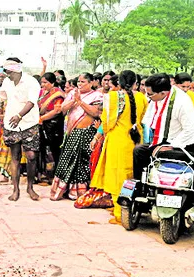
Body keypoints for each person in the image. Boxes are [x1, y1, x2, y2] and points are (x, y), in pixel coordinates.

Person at [90, 70, 148, 223]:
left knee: (116, 175)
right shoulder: (142, 97)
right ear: (136, 83)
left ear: (118, 83)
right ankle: (125, 206)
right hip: (135, 139)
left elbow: (107, 122)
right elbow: (143, 118)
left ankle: (119, 212)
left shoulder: (112, 97)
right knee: (131, 173)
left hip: (117, 140)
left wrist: (99, 135)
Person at [0, 58, 41, 201]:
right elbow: (0, 97)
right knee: (15, 157)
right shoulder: (7, 82)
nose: (6, 74)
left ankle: (30, 187)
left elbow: (32, 102)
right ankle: (16, 189)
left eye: (7, 72)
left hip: (29, 123)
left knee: (31, 156)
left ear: (15, 70)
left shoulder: (31, 82)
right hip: (11, 124)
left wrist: (20, 115)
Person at [133, 74, 194, 176]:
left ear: (162, 93)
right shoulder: (159, 98)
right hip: (162, 141)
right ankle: (140, 186)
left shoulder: (182, 102)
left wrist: (171, 146)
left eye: (150, 94)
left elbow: (190, 131)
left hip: (180, 145)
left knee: (161, 153)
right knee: (139, 151)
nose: (147, 96)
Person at [50, 73, 103, 201]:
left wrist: (81, 102)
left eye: (83, 82)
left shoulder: (97, 95)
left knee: (82, 162)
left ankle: (80, 192)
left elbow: (96, 112)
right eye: (79, 82)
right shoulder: (72, 94)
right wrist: (74, 100)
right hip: (72, 132)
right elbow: (63, 110)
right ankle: (64, 190)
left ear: (91, 83)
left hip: (87, 133)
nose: (80, 84)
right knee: (66, 162)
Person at [38, 73, 66, 183]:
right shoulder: (43, 93)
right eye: (42, 82)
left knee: (54, 150)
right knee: (42, 149)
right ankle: (43, 173)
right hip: (42, 124)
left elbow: (56, 111)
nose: (43, 84)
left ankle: (55, 176)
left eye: (45, 82)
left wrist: (42, 118)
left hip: (53, 125)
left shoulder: (58, 94)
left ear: (52, 83)